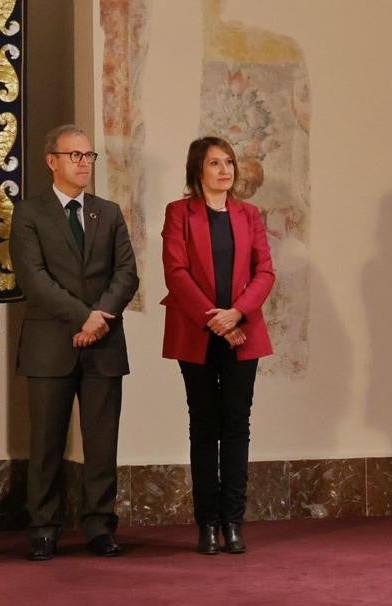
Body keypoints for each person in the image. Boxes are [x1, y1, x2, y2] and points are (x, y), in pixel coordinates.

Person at [11, 125, 138, 560]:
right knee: (46, 444)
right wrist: (84, 316)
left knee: (102, 444)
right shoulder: (29, 213)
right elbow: (34, 279)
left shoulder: (109, 211)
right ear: (52, 161)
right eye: (75, 155)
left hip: (103, 344)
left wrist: (99, 317)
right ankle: (44, 528)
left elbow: (127, 273)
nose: (84, 163)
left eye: (89, 156)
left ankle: (100, 526)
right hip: (51, 344)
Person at [160, 136, 275, 555]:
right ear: (198, 170)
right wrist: (217, 320)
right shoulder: (179, 213)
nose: (225, 170)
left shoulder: (249, 215)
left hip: (244, 333)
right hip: (198, 333)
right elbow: (176, 273)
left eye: (228, 162)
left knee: (237, 427)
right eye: (214, 163)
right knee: (204, 427)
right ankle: (207, 524)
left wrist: (237, 314)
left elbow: (265, 271)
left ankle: (234, 522)